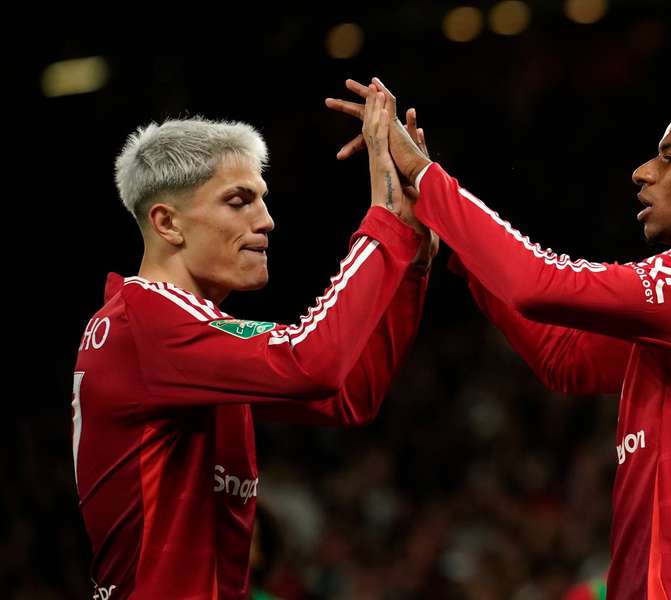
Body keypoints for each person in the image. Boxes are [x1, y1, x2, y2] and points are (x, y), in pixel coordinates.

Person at [329, 79, 671, 599]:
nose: (643, 172)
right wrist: (454, 242)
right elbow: (564, 357)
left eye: (668, 157)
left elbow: (538, 283)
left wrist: (423, 173)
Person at [72, 91, 435, 599]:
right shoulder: (146, 322)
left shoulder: (181, 335)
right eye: (238, 201)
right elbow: (314, 363)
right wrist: (384, 223)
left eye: (262, 200)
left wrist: (412, 260)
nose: (266, 221)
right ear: (167, 222)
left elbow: (352, 394)